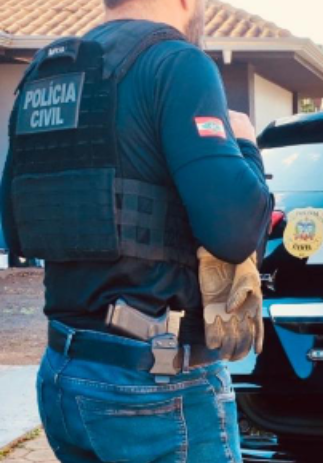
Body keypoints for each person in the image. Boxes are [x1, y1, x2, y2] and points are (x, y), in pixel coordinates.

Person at [0, 0, 273, 461]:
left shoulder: (49, 72)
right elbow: (236, 232)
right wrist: (245, 145)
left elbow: (14, 226)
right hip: (153, 386)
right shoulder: (177, 63)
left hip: (65, 374)